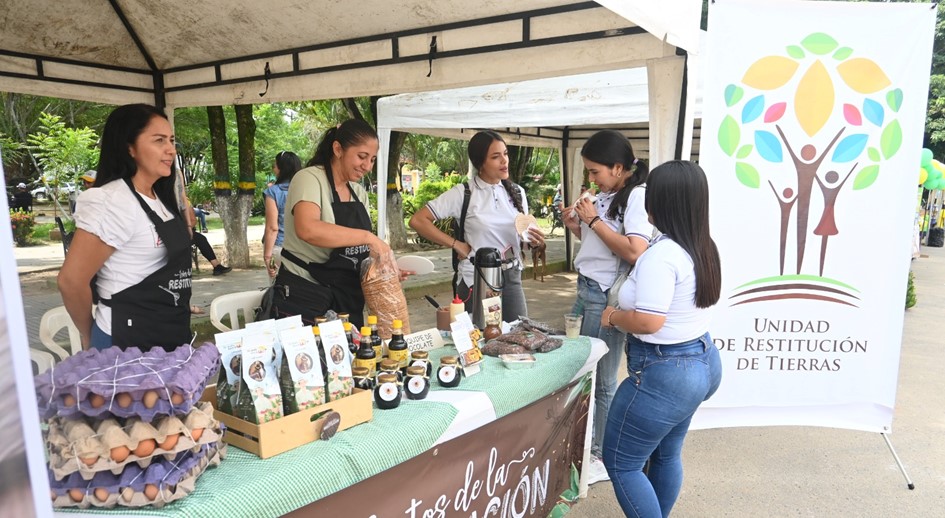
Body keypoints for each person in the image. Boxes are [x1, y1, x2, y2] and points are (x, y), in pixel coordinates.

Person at [599, 160, 722, 518]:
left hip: (667, 372)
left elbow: (650, 322)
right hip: (702, 361)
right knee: (666, 453)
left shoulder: (661, 256)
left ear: (663, 201)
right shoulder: (700, 245)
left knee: (621, 463)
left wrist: (613, 317)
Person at [58, 103, 192, 351]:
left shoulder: (158, 198)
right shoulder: (112, 201)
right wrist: (89, 334)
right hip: (125, 343)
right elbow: (71, 281)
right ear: (129, 147)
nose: (170, 150)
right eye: (159, 140)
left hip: (167, 334)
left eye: (171, 140)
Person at [561, 129, 652, 485]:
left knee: (602, 375)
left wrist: (593, 220)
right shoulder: (607, 194)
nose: (591, 179)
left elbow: (633, 250)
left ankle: (600, 452)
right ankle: (588, 442)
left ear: (618, 167)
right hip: (587, 288)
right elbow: (599, 246)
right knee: (584, 367)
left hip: (603, 295)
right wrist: (577, 225)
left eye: (595, 171)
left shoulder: (638, 197)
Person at [273, 119, 401, 330]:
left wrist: (383, 270)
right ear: (338, 149)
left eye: (372, 159)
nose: (367, 166)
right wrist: (369, 238)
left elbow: (355, 250)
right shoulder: (309, 178)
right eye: (362, 156)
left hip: (346, 295)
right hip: (306, 293)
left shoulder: (358, 193)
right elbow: (308, 229)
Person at [410, 130, 544, 321]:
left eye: (505, 154)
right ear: (480, 162)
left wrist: (533, 242)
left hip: (512, 276)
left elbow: (520, 239)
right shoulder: (463, 193)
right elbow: (418, 220)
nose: (504, 161)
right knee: (479, 339)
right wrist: (456, 244)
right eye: (496, 157)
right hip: (477, 279)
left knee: (518, 337)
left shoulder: (517, 192)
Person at [263, 150, 302, 277]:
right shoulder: (305, 190)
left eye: (275, 165)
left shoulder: (273, 192)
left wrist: (267, 256)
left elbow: (272, 227)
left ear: (281, 168)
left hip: (281, 247)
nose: (274, 169)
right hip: (305, 249)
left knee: (279, 291)